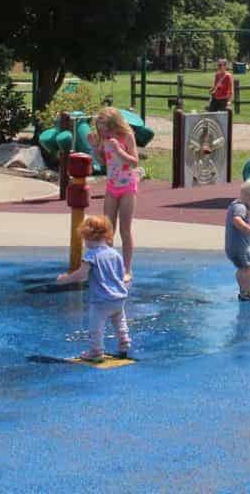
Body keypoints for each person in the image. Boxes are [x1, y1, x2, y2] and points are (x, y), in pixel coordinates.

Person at [55, 215, 130, 362]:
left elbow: (81, 276)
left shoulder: (91, 255)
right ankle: (124, 342)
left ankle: (96, 351)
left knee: (96, 326)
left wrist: (64, 279)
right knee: (119, 321)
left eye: (84, 239)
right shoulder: (115, 254)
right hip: (119, 297)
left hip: (101, 300)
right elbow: (121, 275)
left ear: (89, 237)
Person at [88, 107, 141, 281]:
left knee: (125, 230)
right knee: (108, 230)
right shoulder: (103, 139)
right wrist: (95, 149)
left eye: (105, 128)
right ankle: (109, 267)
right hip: (111, 186)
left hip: (127, 187)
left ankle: (127, 269)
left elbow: (134, 162)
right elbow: (104, 162)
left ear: (114, 124)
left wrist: (119, 150)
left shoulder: (126, 136)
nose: (103, 132)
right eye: (100, 129)